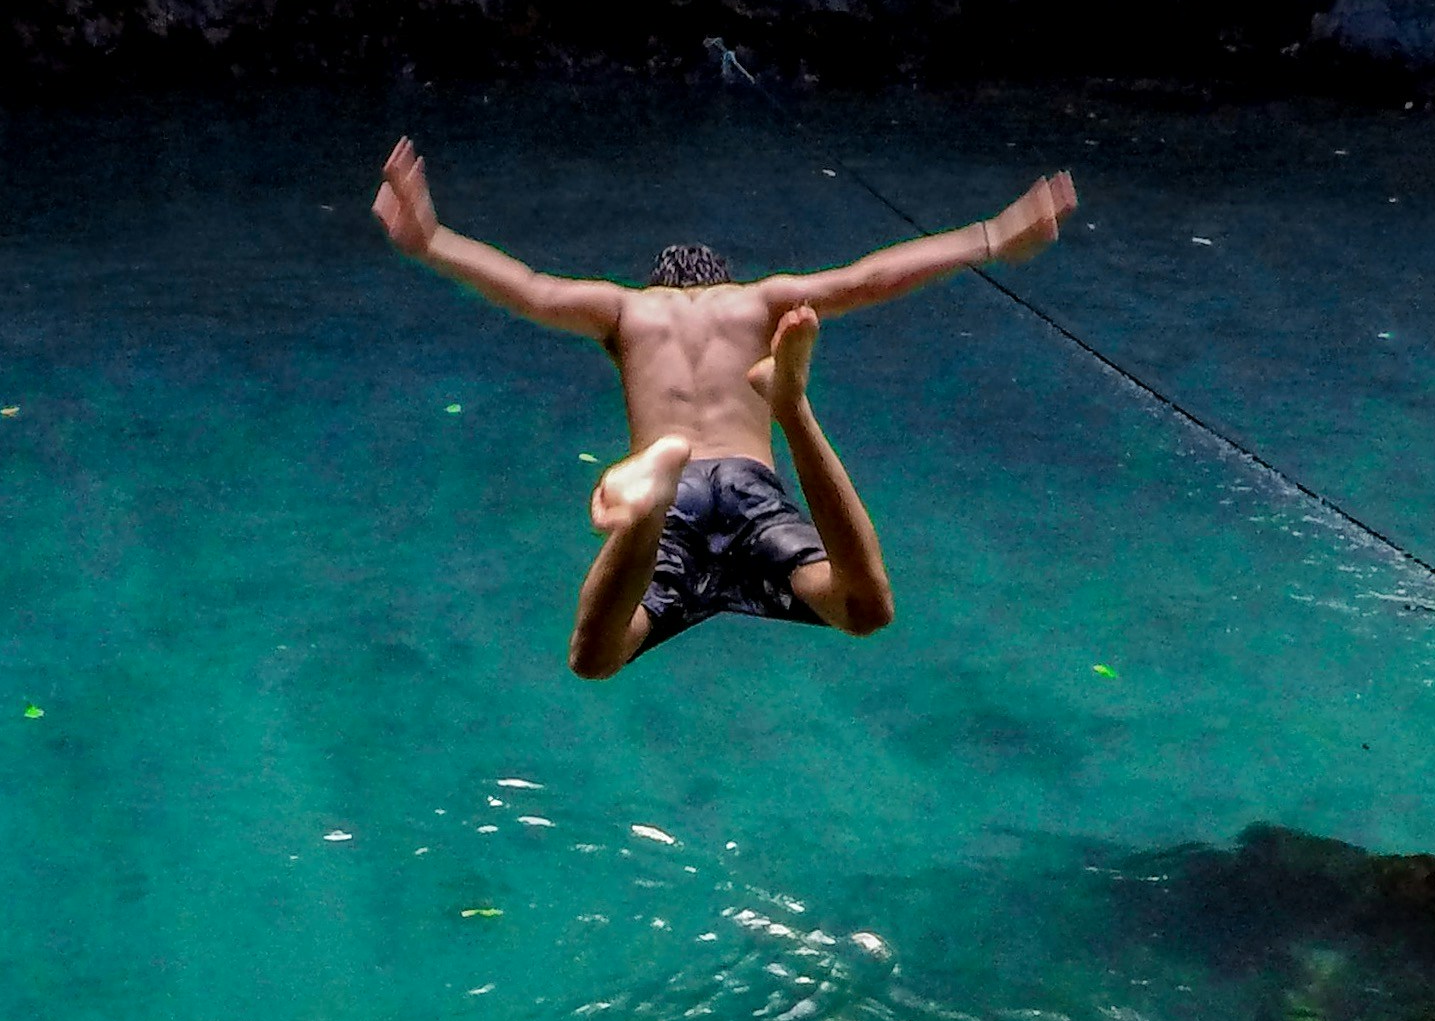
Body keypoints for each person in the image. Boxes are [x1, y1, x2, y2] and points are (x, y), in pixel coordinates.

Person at [374, 138, 1078, 676]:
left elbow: (527, 287)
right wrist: (986, 238)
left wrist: (432, 240)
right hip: (749, 490)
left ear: (656, 284)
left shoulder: (625, 310)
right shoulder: (757, 300)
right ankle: (789, 403)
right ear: (723, 281)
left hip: (677, 496)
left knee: (596, 657)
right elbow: (868, 278)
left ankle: (643, 510)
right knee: (863, 611)